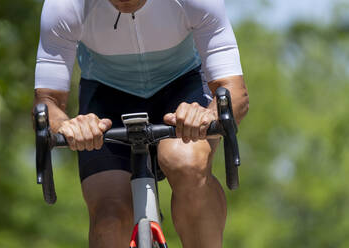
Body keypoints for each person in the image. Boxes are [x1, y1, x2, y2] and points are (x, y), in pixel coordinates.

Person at [33, 0, 249, 247]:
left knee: (185, 162)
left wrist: (209, 114)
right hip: (106, 96)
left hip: (181, 87)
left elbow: (234, 92)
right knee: (110, 219)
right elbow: (47, 102)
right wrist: (66, 126)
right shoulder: (65, 5)